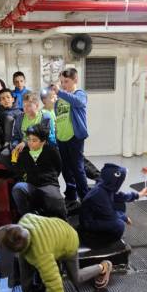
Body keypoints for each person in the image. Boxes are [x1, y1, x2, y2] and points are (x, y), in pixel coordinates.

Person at [0, 214, 113, 292]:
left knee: (76, 277)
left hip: (69, 240)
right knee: (24, 267)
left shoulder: (41, 255)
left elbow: (54, 283)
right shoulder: (24, 221)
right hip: (57, 228)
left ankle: (103, 267)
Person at [78, 164, 147, 247]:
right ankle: (101, 241)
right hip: (88, 223)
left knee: (120, 205)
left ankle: (103, 231)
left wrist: (140, 194)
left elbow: (122, 196)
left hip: (96, 213)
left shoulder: (106, 186)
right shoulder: (100, 195)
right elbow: (110, 216)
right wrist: (124, 217)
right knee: (119, 226)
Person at [51, 68, 89, 204]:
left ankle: (84, 197)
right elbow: (59, 116)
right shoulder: (60, 98)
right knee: (66, 169)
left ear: (75, 80)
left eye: (66, 81)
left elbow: (78, 102)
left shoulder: (80, 94)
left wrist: (60, 92)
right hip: (61, 138)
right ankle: (71, 196)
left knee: (77, 168)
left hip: (75, 137)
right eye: (61, 82)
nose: (63, 84)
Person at [12, 124, 66, 219]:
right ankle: (28, 218)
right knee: (18, 188)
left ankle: (61, 221)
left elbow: (58, 167)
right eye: (29, 139)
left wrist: (48, 178)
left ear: (43, 142)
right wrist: (14, 156)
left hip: (48, 184)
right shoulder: (24, 153)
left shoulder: (51, 150)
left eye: (34, 140)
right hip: (31, 185)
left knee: (54, 199)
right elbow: (17, 167)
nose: (30, 143)